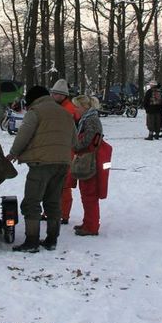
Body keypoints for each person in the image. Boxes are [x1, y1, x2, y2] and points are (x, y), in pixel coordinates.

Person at [6, 85, 76, 252]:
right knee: (53, 202)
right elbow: (74, 141)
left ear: (33, 99)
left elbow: (24, 134)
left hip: (41, 163)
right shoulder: (65, 113)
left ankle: (32, 242)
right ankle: (52, 240)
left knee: (31, 202)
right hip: (63, 164)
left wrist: (13, 153)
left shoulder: (35, 111)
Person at [71, 95, 104, 236]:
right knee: (86, 194)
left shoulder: (91, 120)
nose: (75, 109)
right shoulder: (88, 119)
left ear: (84, 107)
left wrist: (73, 145)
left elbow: (86, 142)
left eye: (77, 107)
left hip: (89, 161)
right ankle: (88, 222)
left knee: (89, 195)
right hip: (87, 160)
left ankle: (91, 227)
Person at [50, 78, 81, 225]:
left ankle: (64, 214)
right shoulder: (60, 106)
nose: (53, 96)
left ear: (63, 95)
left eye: (55, 94)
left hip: (66, 151)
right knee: (52, 183)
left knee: (64, 184)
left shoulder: (68, 110)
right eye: (52, 93)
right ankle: (52, 212)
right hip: (57, 149)